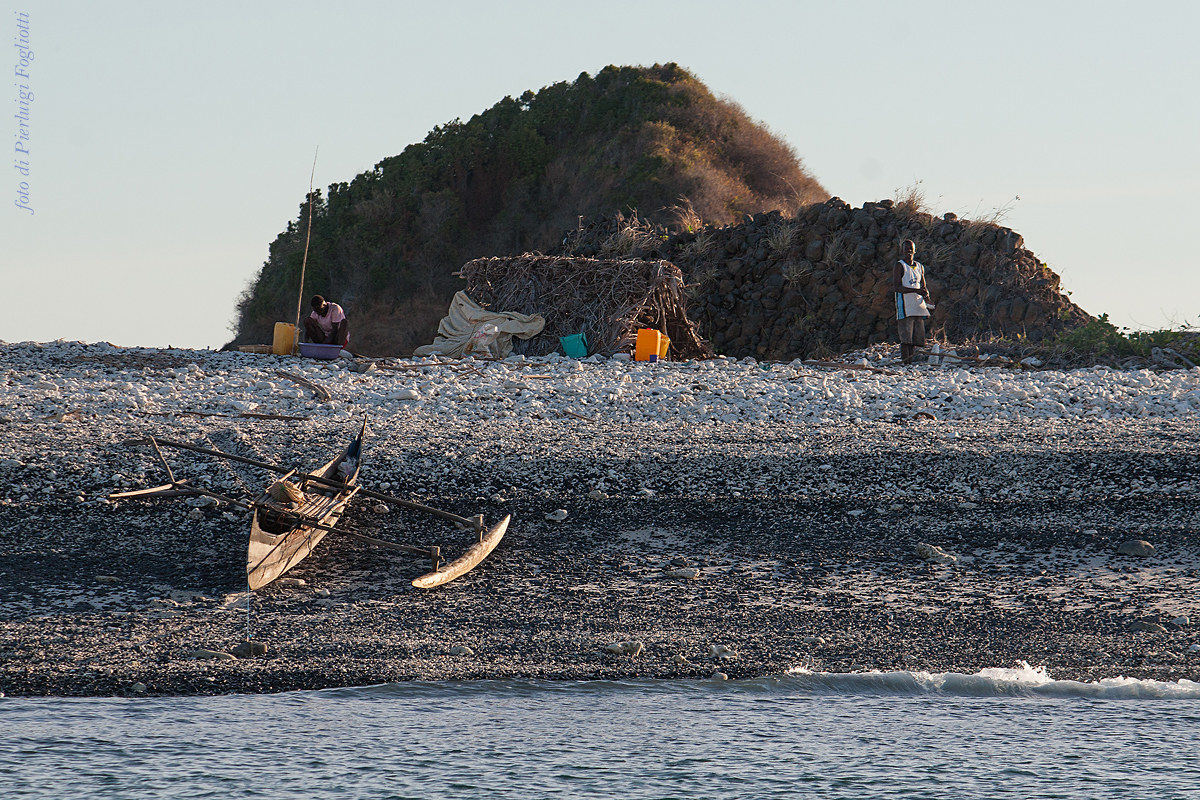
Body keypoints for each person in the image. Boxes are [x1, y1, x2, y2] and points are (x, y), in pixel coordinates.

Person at [893, 240, 935, 364]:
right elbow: (897, 287)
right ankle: (906, 362)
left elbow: (923, 286)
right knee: (906, 337)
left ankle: (909, 362)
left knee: (916, 337)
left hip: (917, 305)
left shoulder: (919, 266)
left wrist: (927, 298)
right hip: (905, 305)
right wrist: (916, 291)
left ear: (915, 250)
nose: (909, 251)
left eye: (911, 249)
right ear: (902, 251)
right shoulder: (900, 265)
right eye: (906, 249)